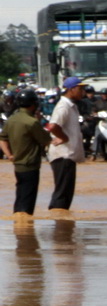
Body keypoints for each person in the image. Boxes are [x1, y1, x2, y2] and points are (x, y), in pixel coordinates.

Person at [4, 89, 52, 218]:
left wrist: (9, 155)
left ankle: (19, 226)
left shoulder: (11, 119)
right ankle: (24, 226)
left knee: (20, 196)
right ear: (33, 104)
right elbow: (46, 140)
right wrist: (40, 121)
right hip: (30, 165)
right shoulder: (32, 122)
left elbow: (2, 139)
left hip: (17, 164)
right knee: (27, 201)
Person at [45, 76, 84, 214]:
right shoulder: (63, 106)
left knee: (65, 193)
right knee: (62, 193)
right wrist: (64, 138)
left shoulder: (70, 106)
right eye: (80, 89)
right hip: (63, 156)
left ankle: (61, 224)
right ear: (71, 89)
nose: (83, 92)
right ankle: (58, 224)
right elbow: (53, 126)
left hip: (68, 156)